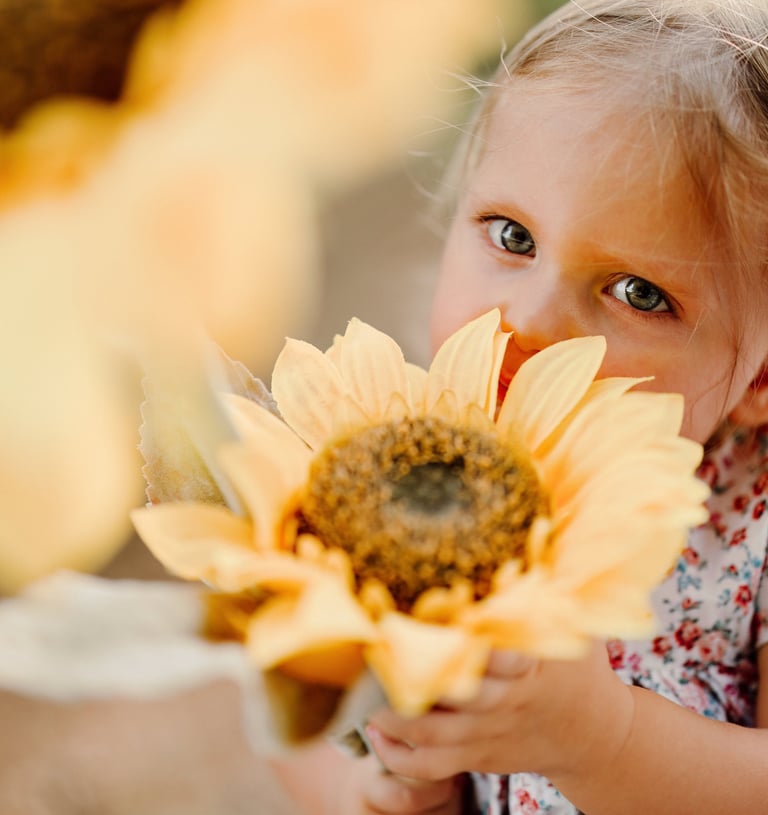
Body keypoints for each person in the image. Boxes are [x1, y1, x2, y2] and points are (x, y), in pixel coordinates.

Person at [272, 1, 768, 812]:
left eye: (639, 293)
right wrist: (368, 786)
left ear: (760, 378)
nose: (527, 322)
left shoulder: (750, 532)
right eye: (511, 236)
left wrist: (604, 739)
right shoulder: (391, 469)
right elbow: (289, 704)